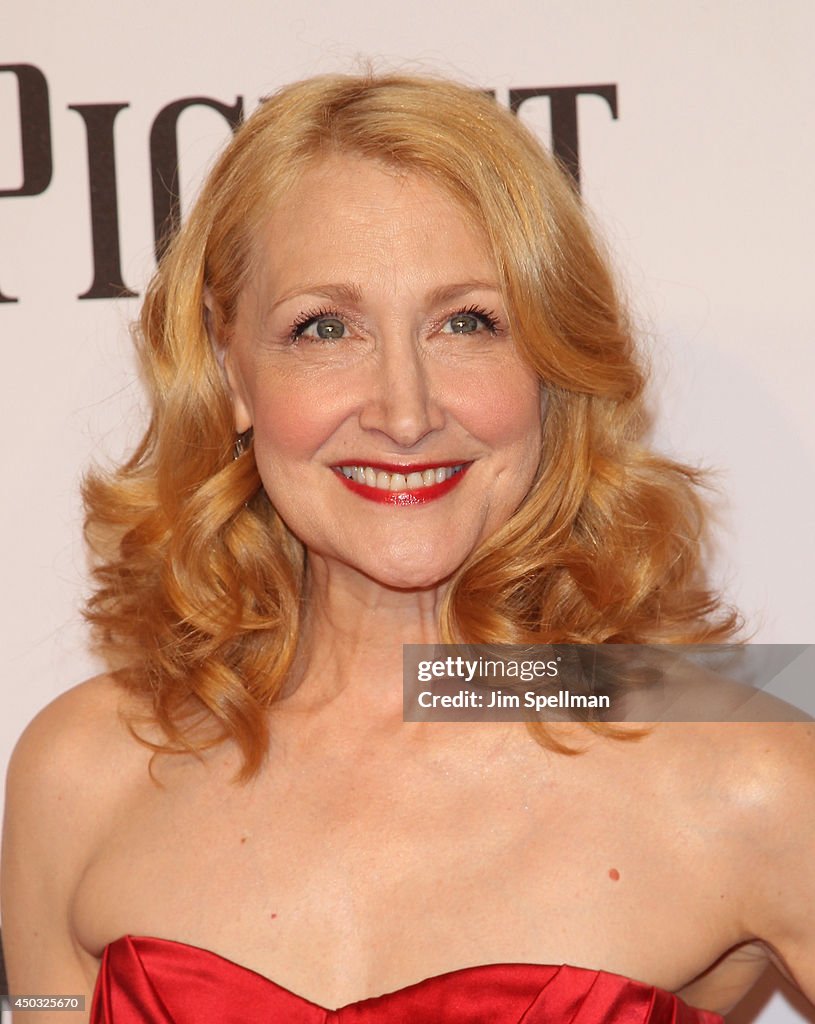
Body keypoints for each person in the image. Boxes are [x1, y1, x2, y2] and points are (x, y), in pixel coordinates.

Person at [1, 71, 813, 1024]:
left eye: (466, 322)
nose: (403, 410)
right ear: (228, 374)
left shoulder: (751, 776)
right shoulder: (80, 773)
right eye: (324, 328)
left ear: (551, 362)